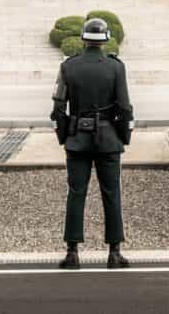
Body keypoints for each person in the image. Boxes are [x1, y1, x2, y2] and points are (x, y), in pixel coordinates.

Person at [50, 18, 134, 270]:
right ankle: (114, 253)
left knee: (76, 194)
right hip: (109, 139)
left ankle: (72, 252)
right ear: (106, 39)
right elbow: (125, 107)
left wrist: (65, 135)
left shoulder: (68, 66)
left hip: (77, 139)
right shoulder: (116, 67)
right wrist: (122, 136)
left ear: (84, 39)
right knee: (112, 194)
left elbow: (57, 107)